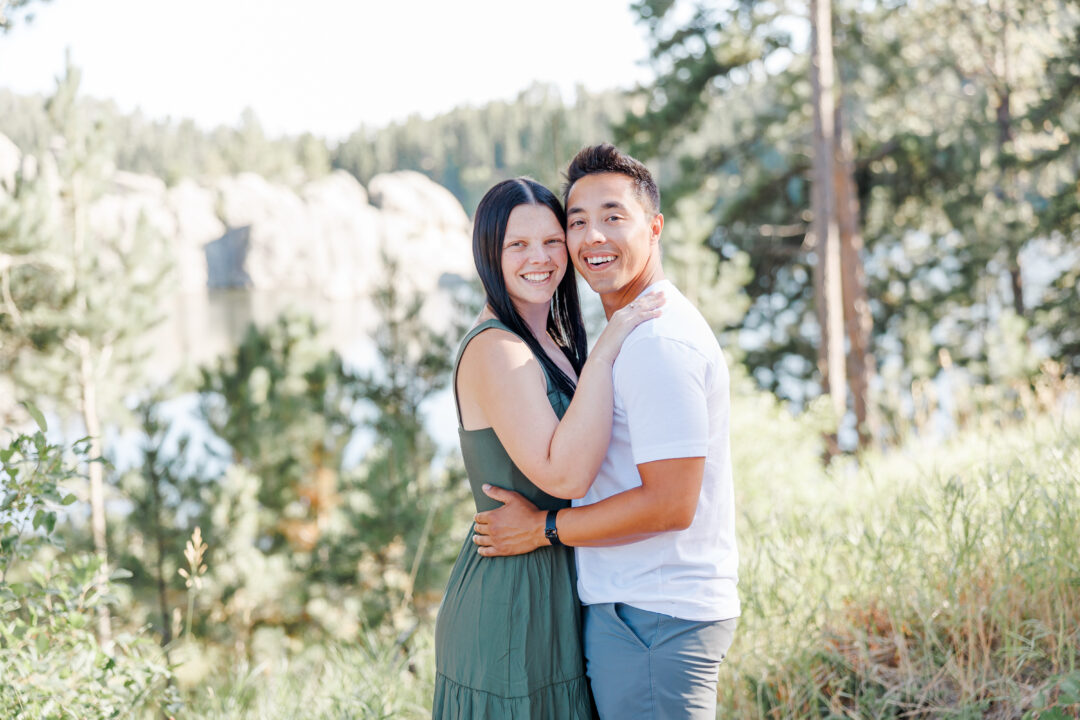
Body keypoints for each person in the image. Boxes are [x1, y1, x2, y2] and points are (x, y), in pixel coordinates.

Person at [472, 145, 739, 720]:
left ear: (654, 227)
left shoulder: (656, 341)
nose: (593, 236)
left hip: (653, 616)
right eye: (578, 222)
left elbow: (670, 504)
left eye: (613, 217)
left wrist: (545, 528)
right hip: (637, 613)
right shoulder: (628, 330)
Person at [432, 176, 664, 719]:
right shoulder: (498, 350)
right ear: (489, 251)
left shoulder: (548, 344)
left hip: (553, 580)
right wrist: (608, 347)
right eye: (517, 244)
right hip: (511, 597)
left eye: (551, 241)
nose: (539, 258)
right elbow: (564, 478)